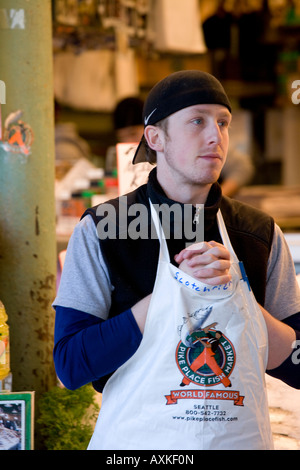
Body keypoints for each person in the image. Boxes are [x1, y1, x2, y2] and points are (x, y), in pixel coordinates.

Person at [53, 70, 300, 450]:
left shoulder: (259, 233)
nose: (215, 136)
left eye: (223, 122)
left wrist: (240, 301)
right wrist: (169, 297)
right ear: (155, 137)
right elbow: (71, 366)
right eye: (197, 121)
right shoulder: (104, 229)